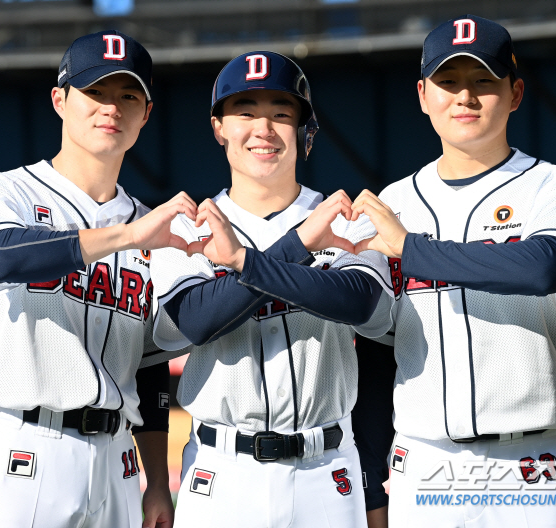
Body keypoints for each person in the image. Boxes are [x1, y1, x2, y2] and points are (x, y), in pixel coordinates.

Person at [351, 15, 556, 528]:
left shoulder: (555, 186)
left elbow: (544, 267)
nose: (464, 97)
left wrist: (411, 250)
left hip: (535, 459)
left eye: (483, 80)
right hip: (423, 459)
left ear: (515, 94)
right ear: (423, 95)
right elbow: (378, 354)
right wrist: (372, 482)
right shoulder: (393, 203)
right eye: (448, 82)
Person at [0, 30, 192, 528]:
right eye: (95, 91)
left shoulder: (149, 226)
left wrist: (156, 480)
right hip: (26, 448)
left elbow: (148, 368)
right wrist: (125, 237)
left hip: (118, 462)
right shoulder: (6, 192)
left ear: (146, 114)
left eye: (129, 95)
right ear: (60, 100)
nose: (112, 107)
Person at [148, 51, 393, 528]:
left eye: (282, 114)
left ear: (305, 132)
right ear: (219, 127)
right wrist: (300, 245)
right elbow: (198, 318)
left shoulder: (344, 218)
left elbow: (360, 302)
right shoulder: (186, 226)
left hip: (326, 470)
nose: (264, 128)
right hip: (221, 471)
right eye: (245, 112)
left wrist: (244, 266)